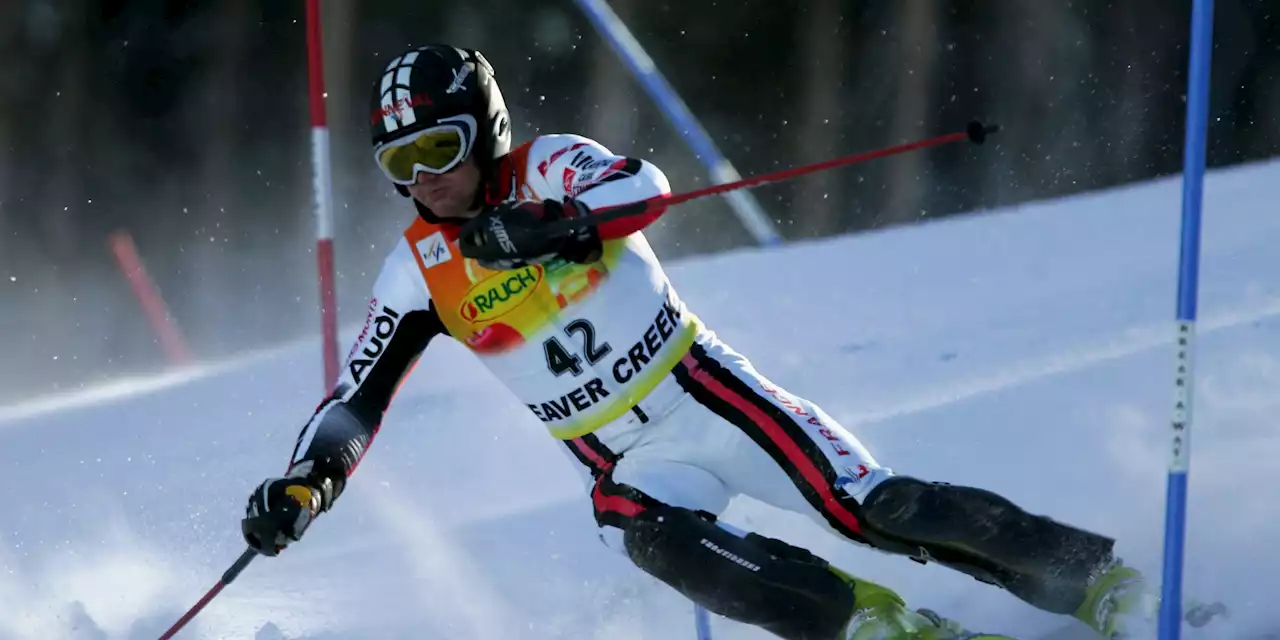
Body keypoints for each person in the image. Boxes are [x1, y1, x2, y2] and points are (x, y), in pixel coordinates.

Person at [239, 44, 1153, 640]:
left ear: (484, 130)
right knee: (643, 532)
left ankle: (1096, 580)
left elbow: (643, 189)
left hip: (706, 398)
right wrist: (308, 482)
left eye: (436, 151)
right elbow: (356, 397)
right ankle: (884, 630)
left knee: (869, 508)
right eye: (399, 167)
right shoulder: (418, 272)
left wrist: (549, 227)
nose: (423, 182)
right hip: (628, 455)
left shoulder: (549, 163)